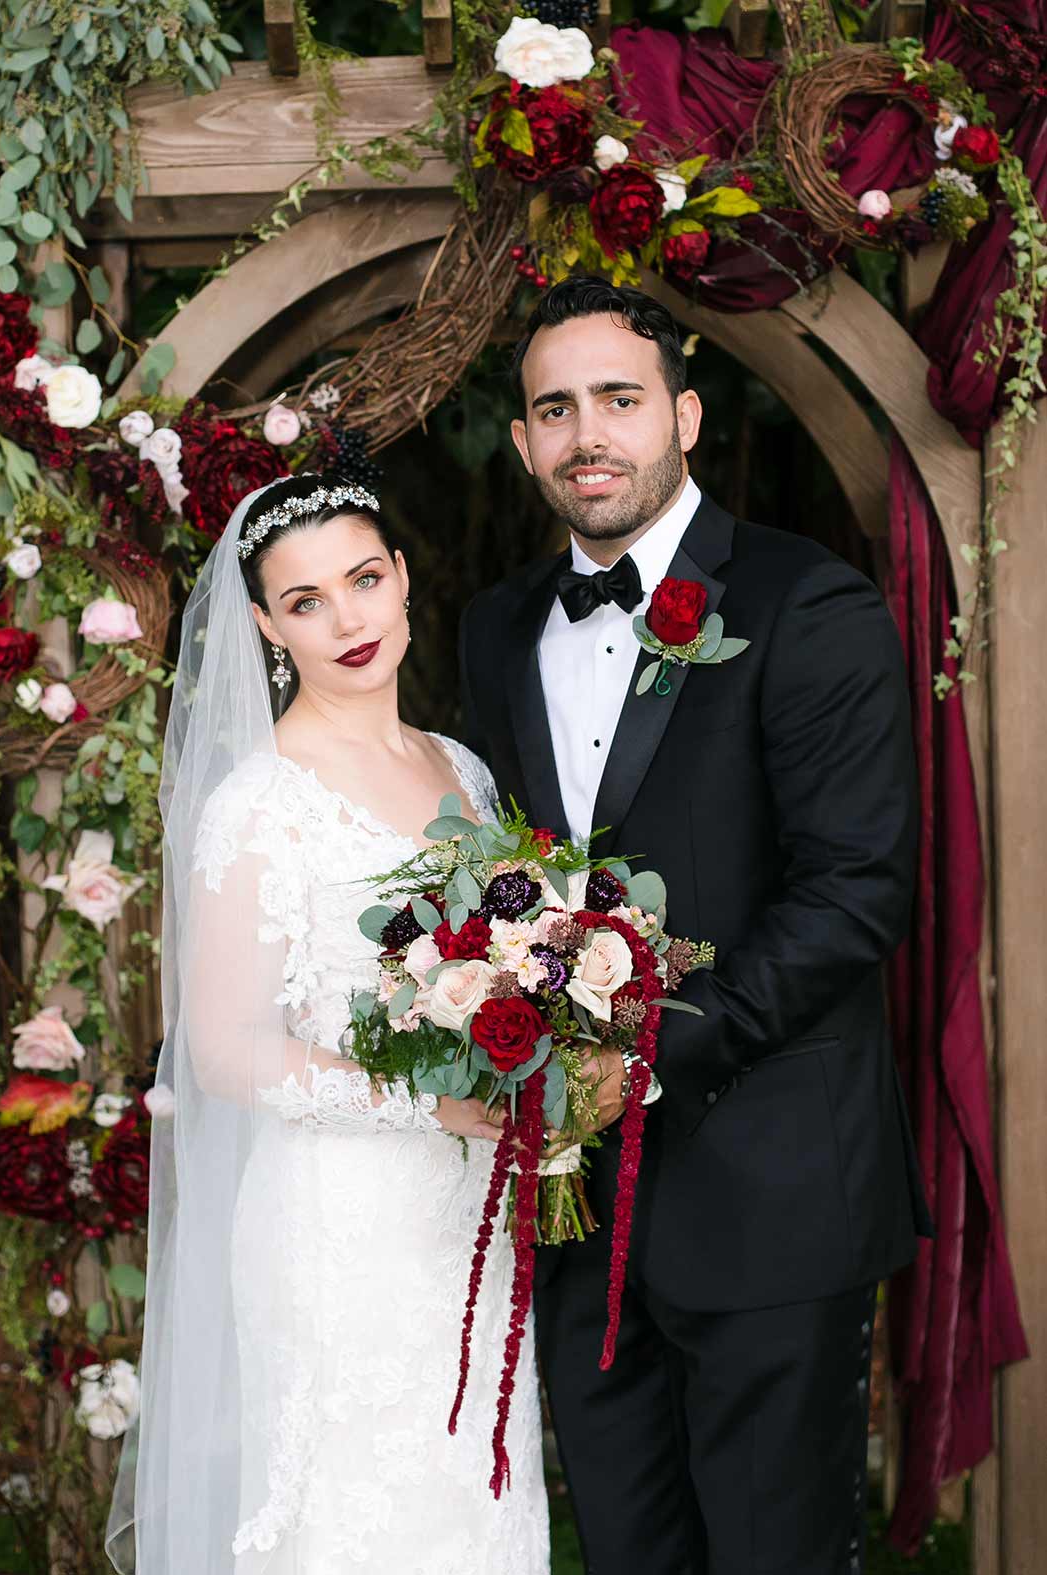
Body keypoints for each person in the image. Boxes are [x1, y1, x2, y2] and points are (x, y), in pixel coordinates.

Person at [459, 277, 933, 1575]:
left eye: (616, 398)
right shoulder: (495, 633)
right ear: (520, 442)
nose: (584, 433)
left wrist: (651, 1051)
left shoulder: (803, 601)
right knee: (622, 1546)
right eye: (552, 408)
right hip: (577, 1211)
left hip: (773, 1193)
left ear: (682, 412)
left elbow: (856, 887)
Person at [107, 475, 550, 1574]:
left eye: (362, 579)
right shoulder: (261, 802)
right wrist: (425, 1102)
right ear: (264, 625)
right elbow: (226, 1047)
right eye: (305, 601)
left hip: (472, 1222)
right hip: (336, 1227)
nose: (348, 620)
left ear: (402, 579)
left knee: (477, 1514)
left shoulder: (465, 770)